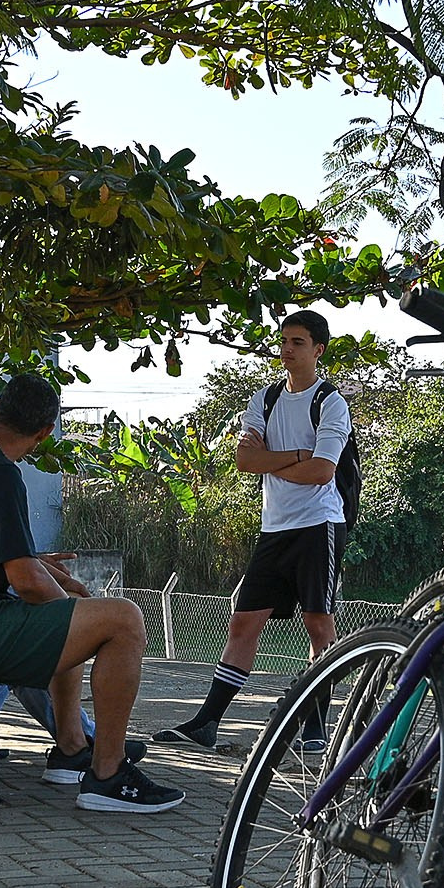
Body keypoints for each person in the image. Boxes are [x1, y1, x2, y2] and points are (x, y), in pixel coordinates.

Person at [0, 372, 182, 814]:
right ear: (46, 432)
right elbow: (26, 580)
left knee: (69, 618)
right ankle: (108, 774)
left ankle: (71, 748)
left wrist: (68, 604)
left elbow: (1, 561)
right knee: (121, 618)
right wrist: (73, 604)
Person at [156, 311, 354, 753]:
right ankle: (206, 723)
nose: (287, 350)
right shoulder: (262, 400)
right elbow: (245, 463)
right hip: (274, 528)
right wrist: (298, 453)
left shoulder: (331, 402)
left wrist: (280, 457)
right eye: (283, 341)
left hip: (318, 525)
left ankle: (316, 727)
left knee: (318, 625)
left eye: (298, 342)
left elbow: (324, 472)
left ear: (318, 350)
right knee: (243, 623)